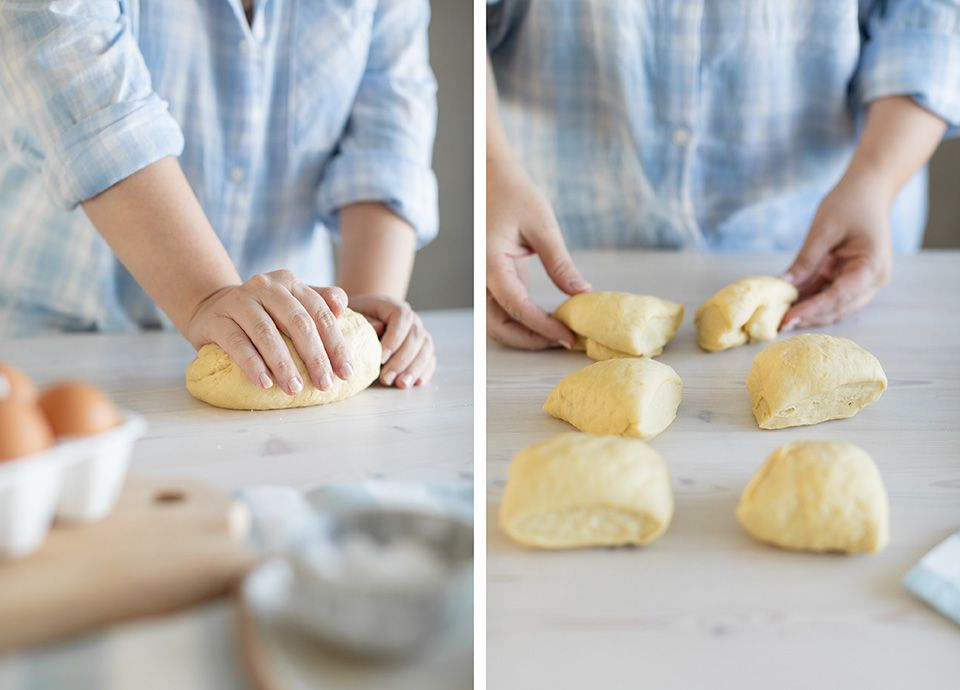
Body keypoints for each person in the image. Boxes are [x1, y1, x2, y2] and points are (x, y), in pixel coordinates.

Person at [0, 0, 437, 392]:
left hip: (289, 354)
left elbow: (389, 130)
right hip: (62, 340)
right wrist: (207, 298)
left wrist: (356, 331)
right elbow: (83, 84)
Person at [486, 0, 957, 349]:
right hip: (554, 243)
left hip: (824, 241)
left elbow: (928, 17)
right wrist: (492, 168)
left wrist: (877, 178)